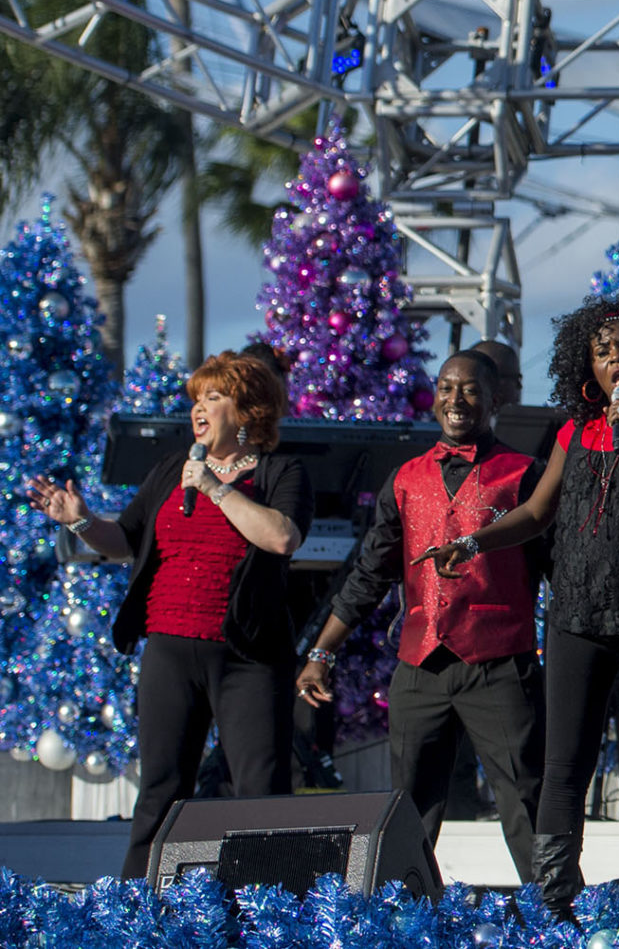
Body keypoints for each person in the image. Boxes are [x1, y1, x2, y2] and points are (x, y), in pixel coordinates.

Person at [421, 298, 619, 914]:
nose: (616, 358)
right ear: (587, 364)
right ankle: (554, 906)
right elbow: (536, 513)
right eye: (602, 349)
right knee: (563, 766)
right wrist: (472, 542)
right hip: (577, 616)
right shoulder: (573, 429)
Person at [33, 353, 312, 879]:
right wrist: (82, 521)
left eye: (213, 397)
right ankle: (139, 910)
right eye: (195, 400)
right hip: (168, 648)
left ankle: (273, 911)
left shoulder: (281, 472)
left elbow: (281, 536)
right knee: (160, 789)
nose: (198, 410)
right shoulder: (170, 471)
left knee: (261, 791)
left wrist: (214, 487)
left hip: (247, 656)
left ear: (248, 410)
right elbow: (126, 540)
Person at [294, 350, 545, 883]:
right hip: (420, 664)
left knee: (526, 798)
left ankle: (556, 916)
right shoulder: (406, 479)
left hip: (499, 661)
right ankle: (403, 917)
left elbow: (557, 574)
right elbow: (369, 573)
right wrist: (322, 651)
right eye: (447, 387)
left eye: (471, 389)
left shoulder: (525, 476)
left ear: (496, 398)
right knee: (408, 808)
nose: (457, 399)